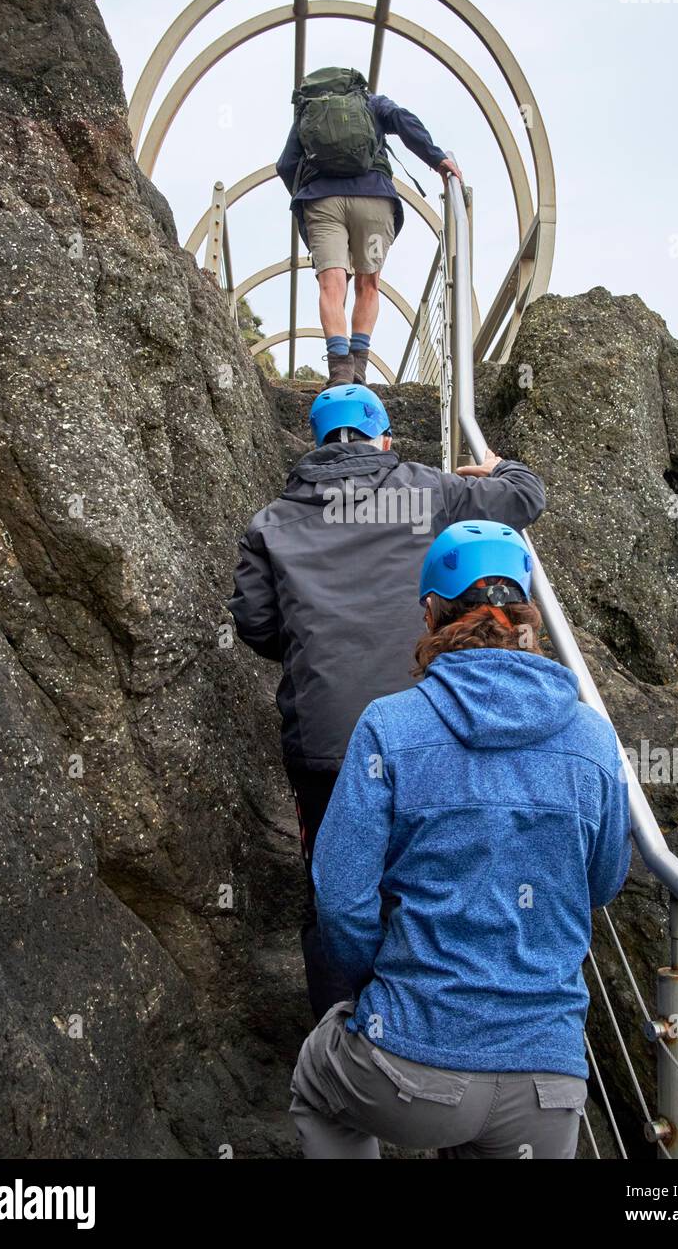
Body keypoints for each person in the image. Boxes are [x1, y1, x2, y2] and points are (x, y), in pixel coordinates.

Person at [289, 520, 632, 1160]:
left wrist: (374, 984)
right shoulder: (592, 737)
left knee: (317, 1080)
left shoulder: (389, 726)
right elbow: (606, 878)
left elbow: (339, 897)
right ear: (527, 615)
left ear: (431, 613)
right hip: (549, 1082)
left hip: (408, 1062)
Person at [229, 387, 546, 1020]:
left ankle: (338, 1039)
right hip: (430, 724)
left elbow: (258, 628)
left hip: (325, 740)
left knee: (334, 889)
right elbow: (525, 499)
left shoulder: (271, 522)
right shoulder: (427, 490)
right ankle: (426, 1032)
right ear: (385, 440)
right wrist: (500, 470)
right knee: (431, 877)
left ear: (317, 442)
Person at [276, 66, 462, 386]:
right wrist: (437, 160)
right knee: (368, 284)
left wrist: (307, 192)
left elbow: (285, 164)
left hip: (322, 201)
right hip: (374, 200)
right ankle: (359, 368)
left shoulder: (308, 111)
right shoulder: (371, 103)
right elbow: (404, 121)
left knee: (331, 286)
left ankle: (339, 373)